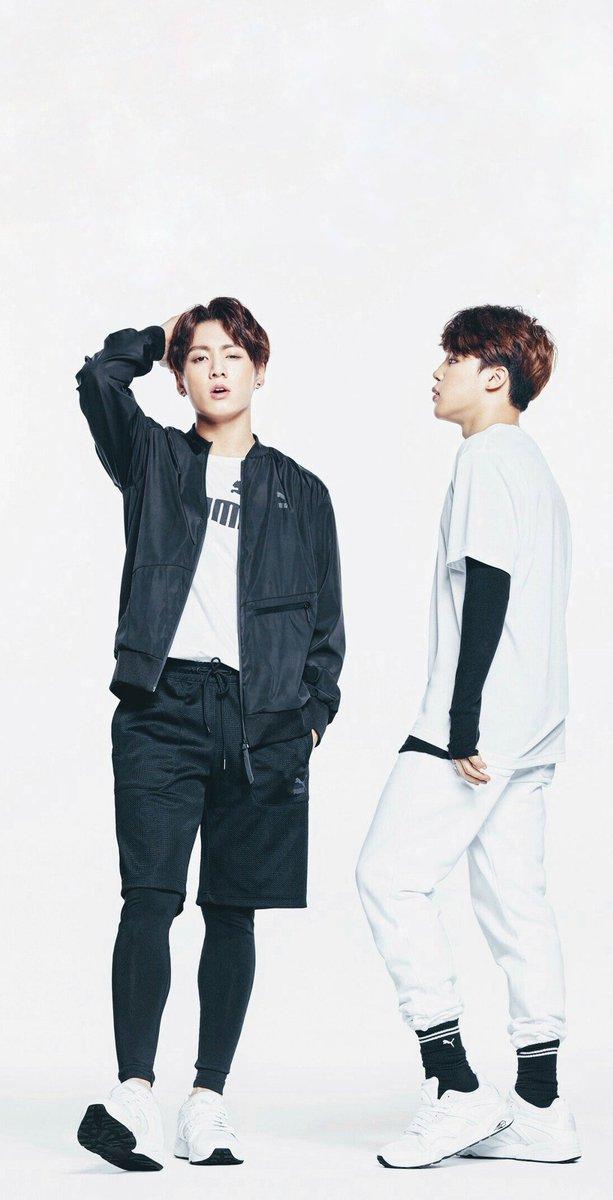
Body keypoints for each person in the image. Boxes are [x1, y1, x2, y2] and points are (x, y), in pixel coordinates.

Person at [75, 297, 345, 1170]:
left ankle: (207, 1102)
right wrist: (152, 341)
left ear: (259, 369)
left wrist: (309, 723)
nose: (217, 368)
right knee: (150, 898)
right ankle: (134, 1096)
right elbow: (97, 381)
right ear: (180, 376)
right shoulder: (153, 460)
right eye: (198, 357)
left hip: (262, 720)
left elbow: (326, 631)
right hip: (161, 707)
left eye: (232, 354)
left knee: (233, 912)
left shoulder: (302, 493)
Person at [356, 305, 580, 1168]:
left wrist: (459, 720)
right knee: (516, 904)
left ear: (493, 375)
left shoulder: (486, 458)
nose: (437, 371)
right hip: (534, 722)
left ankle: (453, 1086)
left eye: (452, 358)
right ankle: (540, 1106)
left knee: (387, 876)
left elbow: (487, 582)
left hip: (479, 723)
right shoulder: (537, 470)